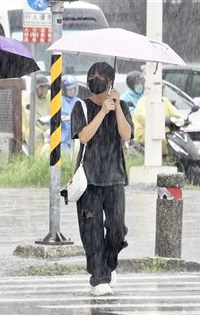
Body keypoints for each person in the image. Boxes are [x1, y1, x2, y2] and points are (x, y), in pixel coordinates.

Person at [70, 62, 132, 296]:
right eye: (91, 75)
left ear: (110, 82)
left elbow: (126, 134)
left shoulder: (122, 106)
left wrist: (115, 108)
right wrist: (103, 111)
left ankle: (109, 263)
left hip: (114, 177)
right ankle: (99, 278)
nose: (94, 79)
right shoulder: (81, 107)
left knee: (117, 230)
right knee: (92, 232)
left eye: (99, 76)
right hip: (89, 180)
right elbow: (83, 137)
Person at [132, 85, 182, 155]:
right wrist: (162, 121)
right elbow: (144, 117)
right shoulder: (143, 101)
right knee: (164, 142)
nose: (160, 91)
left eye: (162, 88)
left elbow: (178, 116)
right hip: (146, 135)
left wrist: (175, 120)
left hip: (167, 135)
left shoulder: (165, 100)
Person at [22, 74, 51, 153]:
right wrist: (40, 122)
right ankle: (38, 160)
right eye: (41, 87)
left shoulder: (50, 96)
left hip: (47, 126)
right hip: (30, 127)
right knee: (38, 136)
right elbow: (29, 116)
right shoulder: (28, 97)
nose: (44, 89)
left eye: (46, 87)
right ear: (35, 88)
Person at [61, 74, 80, 151]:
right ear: (63, 89)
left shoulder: (78, 101)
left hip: (76, 138)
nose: (72, 91)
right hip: (63, 140)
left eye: (73, 88)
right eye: (69, 89)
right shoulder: (58, 101)